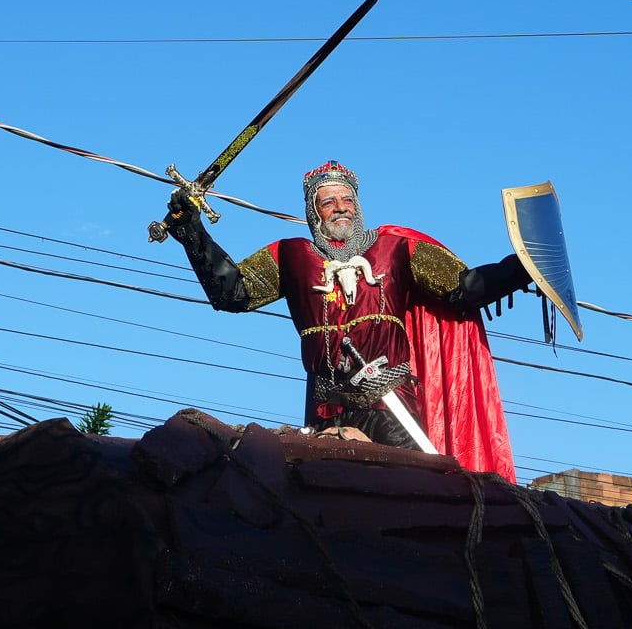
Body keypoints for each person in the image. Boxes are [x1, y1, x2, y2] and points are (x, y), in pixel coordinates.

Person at [163, 159, 530, 479]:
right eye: (328, 201)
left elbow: (465, 286)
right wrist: (191, 230)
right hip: (325, 414)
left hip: (392, 409)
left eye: (347, 199)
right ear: (313, 210)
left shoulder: (397, 249)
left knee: (416, 500)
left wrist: (526, 267)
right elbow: (232, 292)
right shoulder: (290, 256)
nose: (341, 208)